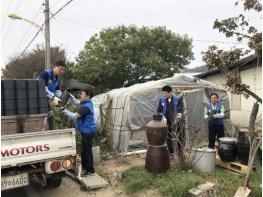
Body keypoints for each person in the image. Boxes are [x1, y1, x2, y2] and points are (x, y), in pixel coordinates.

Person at [61, 89, 96, 176]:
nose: (81, 95)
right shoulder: (86, 102)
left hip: (87, 131)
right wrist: (72, 97)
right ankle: (85, 167)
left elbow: (73, 117)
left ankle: (90, 170)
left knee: (87, 151)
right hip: (87, 130)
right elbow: (77, 102)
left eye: (82, 94)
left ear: (87, 96)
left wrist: (63, 109)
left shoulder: (85, 107)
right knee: (85, 150)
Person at [37, 60, 66, 129]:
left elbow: (56, 91)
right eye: (60, 69)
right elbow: (43, 89)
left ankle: (51, 131)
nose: (62, 71)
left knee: (52, 113)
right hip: (37, 97)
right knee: (44, 115)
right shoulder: (45, 74)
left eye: (63, 70)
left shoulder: (58, 79)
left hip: (46, 98)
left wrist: (63, 97)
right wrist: (54, 98)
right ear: (55, 67)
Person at [157, 85, 180, 159]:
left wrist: (177, 119)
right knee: (168, 137)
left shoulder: (177, 99)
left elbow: (181, 110)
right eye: (163, 93)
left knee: (179, 136)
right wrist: (163, 117)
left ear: (170, 92)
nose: (164, 95)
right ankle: (171, 153)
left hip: (176, 121)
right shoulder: (162, 100)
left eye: (166, 93)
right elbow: (159, 111)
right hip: (167, 122)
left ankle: (180, 153)